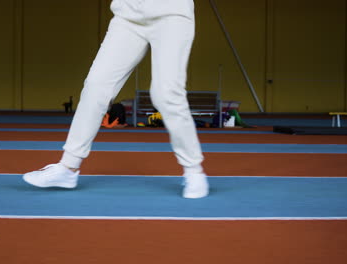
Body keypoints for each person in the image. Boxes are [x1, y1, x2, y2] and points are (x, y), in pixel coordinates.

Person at [23, 0, 209, 198]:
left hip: (172, 14)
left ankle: (194, 171)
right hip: (128, 15)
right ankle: (68, 168)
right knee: (96, 86)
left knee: (166, 93)